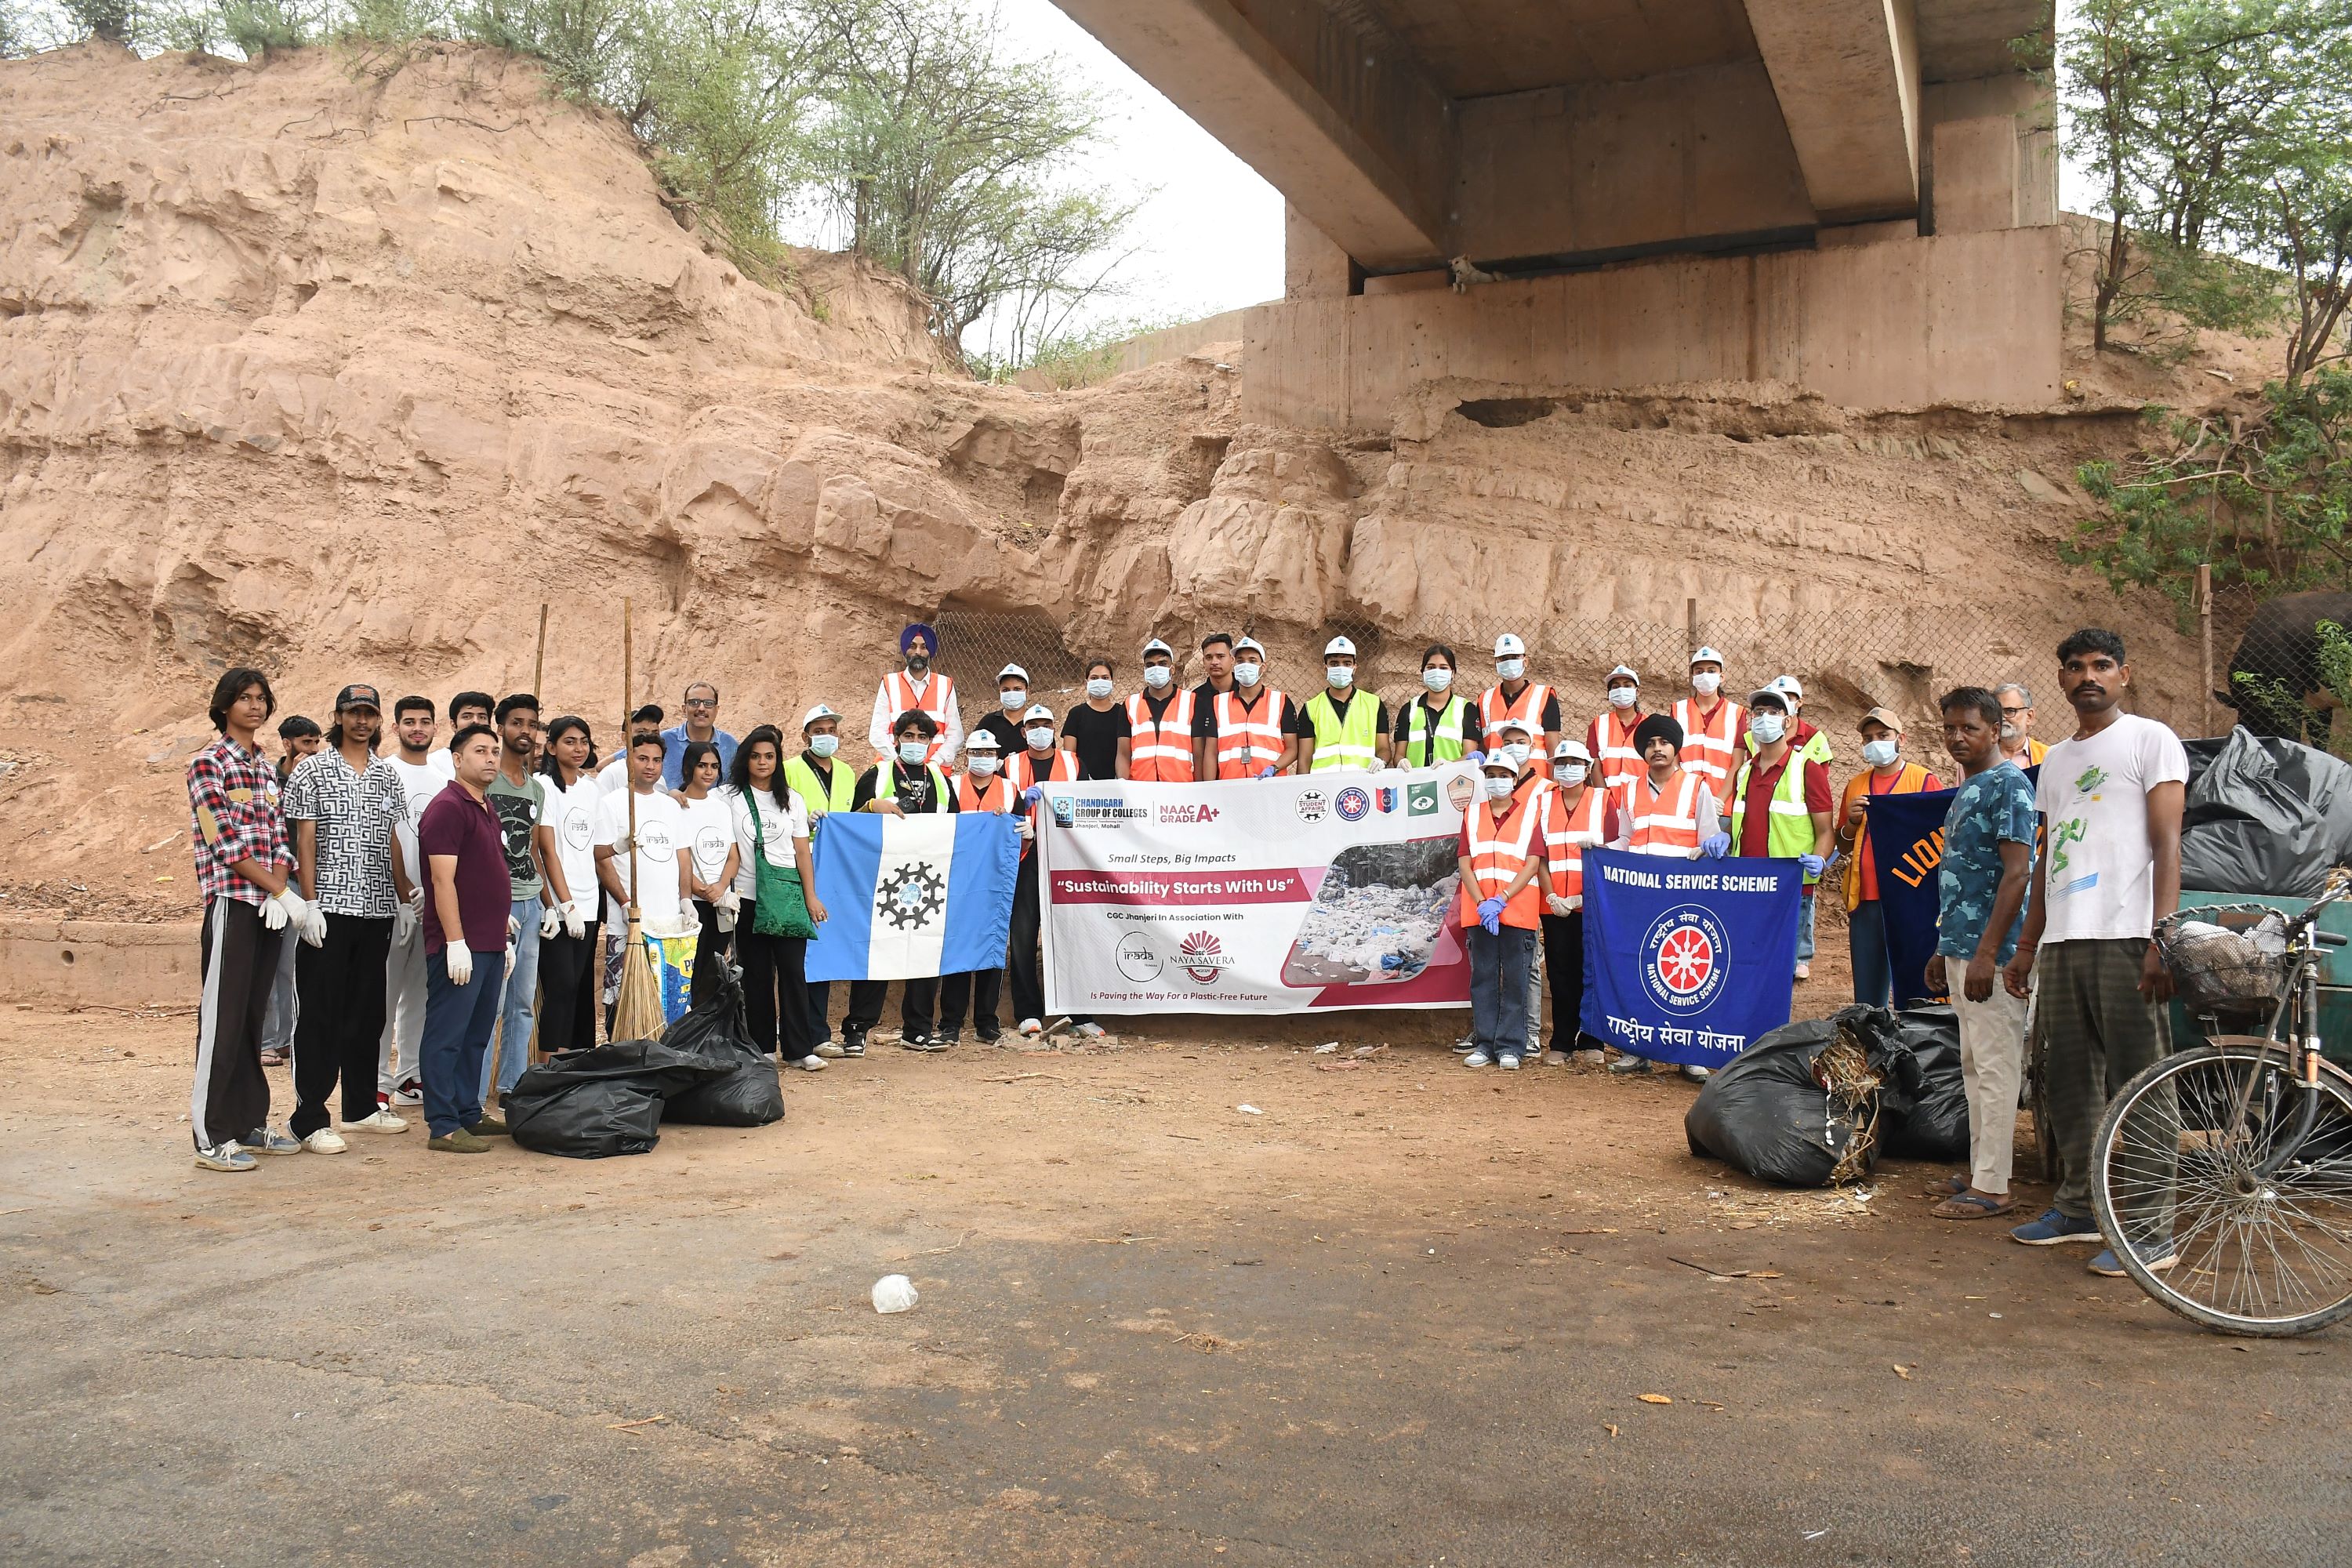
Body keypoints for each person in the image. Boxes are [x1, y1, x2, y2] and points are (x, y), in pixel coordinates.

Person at [2002, 630, 2187, 1276]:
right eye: (2076, 667)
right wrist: (2028, 945)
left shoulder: (2149, 739)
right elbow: (2053, 853)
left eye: (2102, 666)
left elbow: (2169, 843)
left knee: (2140, 1085)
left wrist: (2163, 936)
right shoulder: (2054, 763)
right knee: (2069, 1085)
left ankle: (2149, 1232)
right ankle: (2080, 1208)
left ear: (2124, 675)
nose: (2089, 676)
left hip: (2129, 935)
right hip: (2065, 941)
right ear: (2060, 681)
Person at [281, 682, 412, 1151]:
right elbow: (305, 839)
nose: (362, 721)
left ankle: (359, 1107)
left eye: (369, 714)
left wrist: (402, 898)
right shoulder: (312, 771)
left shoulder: (386, 775)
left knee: (366, 1011)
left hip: (375, 907)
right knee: (320, 1013)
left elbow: (394, 840)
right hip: (330, 908)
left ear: (378, 721)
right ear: (338, 717)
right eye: (353, 713)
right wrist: (309, 902)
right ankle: (309, 1117)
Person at [186, 667, 305, 1171]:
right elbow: (224, 844)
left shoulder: (264, 769)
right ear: (225, 705)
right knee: (223, 1019)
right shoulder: (208, 765)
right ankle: (210, 1134)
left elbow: (279, 836)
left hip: (268, 909)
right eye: (244, 698)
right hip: (234, 904)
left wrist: (280, 890)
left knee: (254, 1017)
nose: (255, 707)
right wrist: (281, 889)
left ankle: (249, 1122)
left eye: (261, 698)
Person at [1926, 688, 2038, 1221]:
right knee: (1973, 1064)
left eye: (1969, 728)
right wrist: (1943, 947)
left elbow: (2018, 874)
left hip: (1991, 955)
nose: (1957, 738)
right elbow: (1964, 879)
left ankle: (1994, 1187)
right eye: (1949, 728)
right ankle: (1982, 1171)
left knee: (1995, 1067)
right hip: (1963, 949)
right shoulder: (1970, 787)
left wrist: (1990, 954)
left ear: (1997, 730)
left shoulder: (2010, 786)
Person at [1606, 714, 1727, 1076]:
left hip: (1682, 896)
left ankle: (1690, 1053)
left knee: (1684, 973)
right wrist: (1599, 849)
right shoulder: (1628, 790)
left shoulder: (1696, 786)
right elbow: (1626, 839)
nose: (1656, 749)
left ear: (1676, 747)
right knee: (1639, 967)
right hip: (1639, 895)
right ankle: (1637, 1047)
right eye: (1650, 744)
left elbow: (1708, 838)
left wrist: (1708, 849)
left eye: (1663, 742)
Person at [416, 723, 514, 1153]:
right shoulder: (447, 807)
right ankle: (443, 1124)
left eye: (495, 751)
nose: (491, 758)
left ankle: (468, 1112)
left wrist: (502, 926)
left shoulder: (486, 806)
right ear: (457, 759)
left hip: (490, 940)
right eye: (480, 751)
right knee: (447, 1032)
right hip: (460, 945)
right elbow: (442, 880)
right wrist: (455, 941)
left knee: (476, 1032)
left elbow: (487, 874)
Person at [846, 710, 960, 1052]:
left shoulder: (941, 780)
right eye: (908, 736)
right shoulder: (877, 775)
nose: (915, 743)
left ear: (931, 742)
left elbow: (958, 827)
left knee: (925, 948)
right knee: (878, 951)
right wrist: (870, 806)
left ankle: (918, 1029)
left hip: (929, 879)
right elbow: (849, 824)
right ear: (896, 740)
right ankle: (857, 1029)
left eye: (922, 737)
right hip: (884, 878)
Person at [724, 726, 828, 1071]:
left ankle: (799, 1049)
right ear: (745, 760)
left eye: (769, 756)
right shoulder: (728, 797)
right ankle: (763, 1046)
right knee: (755, 974)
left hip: (787, 897)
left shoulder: (792, 799)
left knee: (793, 972)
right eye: (755, 756)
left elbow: (802, 851)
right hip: (748, 896)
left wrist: (810, 896)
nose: (763, 762)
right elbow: (694, 803)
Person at [481, 694, 559, 1104]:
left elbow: (530, 848)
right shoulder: (484, 781)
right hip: (496, 905)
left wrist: (548, 903)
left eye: (532, 724)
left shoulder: (534, 788)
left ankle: (511, 1087)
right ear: (501, 727)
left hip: (529, 901)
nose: (525, 731)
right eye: (516, 723)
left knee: (523, 1003)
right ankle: (473, 1098)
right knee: (488, 1005)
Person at [1835, 706, 1943, 1006]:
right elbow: (1842, 845)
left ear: (1901, 739)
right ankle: (1876, 1042)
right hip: (1866, 897)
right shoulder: (1856, 785)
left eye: (1883, 735)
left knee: (1915, 980)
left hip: (1910, 899)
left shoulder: (1923, 781)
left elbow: (1940, 840)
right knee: (1868, 990)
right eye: (1868, 738)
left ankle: (1920, 1040)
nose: (1875, 742)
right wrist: (1851, 824)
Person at [1730, 686, 1835, 985]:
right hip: (1747, 882)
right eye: (1759, 713)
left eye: (1774, 712)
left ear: (1788, 721)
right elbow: (1741, 820)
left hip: (1789, 887)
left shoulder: (1807, 769)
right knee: (1747, 966)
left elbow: (1826, 831)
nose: (1765, 719)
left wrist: (1820, 858)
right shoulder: (1745, 772)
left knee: (1780, 972)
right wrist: (1725, 836)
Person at [593, 732, 691, 1036]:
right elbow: (601, 858)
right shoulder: (611, 803)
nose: (650, 766)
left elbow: (682, 856)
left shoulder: (670, 806)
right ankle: (622, 1055)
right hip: (630, 920)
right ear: (628, 760)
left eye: (657, 760)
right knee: (623, 994)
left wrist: (685, 900)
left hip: (668, 922)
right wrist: (623, 901)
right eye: (642, 758)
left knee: (665, 994)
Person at [1458, 752, 1549, 1070]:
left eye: (1503, 774)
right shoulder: (1472, 814)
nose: (1496, 780)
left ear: (1514, 780)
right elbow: (1465, 863)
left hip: (1517, 911)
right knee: (1482, 978)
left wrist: (1503, 898)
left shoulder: (1530, 814)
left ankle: (1511, 1045)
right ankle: (1485, 1043)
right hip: (1480, 912)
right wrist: (1483, 902)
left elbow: (1533, 863)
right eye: (1490, 774)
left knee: (1516, 980)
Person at [782, 704, 858, 1055]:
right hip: (799, 865)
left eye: (832, 730)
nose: (827, 736)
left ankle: (819, 1031)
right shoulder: (790, 771)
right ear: (805, 736)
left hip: (836, 867)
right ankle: (801, 1031)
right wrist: (805, 826)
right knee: (801, 951)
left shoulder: (846, 772)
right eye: (819, 730)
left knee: (824, 946)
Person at [379, 696, 441, 1107]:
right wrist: (402, 893)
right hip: (390, 904)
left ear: (436, 727)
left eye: (425, 722)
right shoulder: (384, 772)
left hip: (433, 905)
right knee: (384, 995)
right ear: (396, 727)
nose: (417, 728)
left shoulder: (442, 777)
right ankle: (378, 1080)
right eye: (409, 722)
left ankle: (410, 1076)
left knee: (421, 994)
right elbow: (383, 837)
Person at [1005, 704, 1080, 1040]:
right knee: (1023, 934)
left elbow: (1089, 803)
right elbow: (1001, 803)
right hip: (1025, 855)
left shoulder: (1072, 761)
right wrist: (1023, 804)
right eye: (1032, 725)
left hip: (1065, 857)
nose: (1039, 730)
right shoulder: (1010, 764)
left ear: (1055, 727)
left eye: (1045, 724)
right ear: (1023, 732)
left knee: (1069, 934)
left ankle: (1077, 1011)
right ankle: (1028, 1012)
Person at [1538, 738, 1614, 1066]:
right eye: (1561, 763)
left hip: (1593, 904)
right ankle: (1562, 1041)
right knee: (1560, 972)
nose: (1568, 769)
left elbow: (1615, 852)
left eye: (1575, 764)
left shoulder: (1603, 801)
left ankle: (1593, 1039)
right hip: (1555, 907)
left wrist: (1586, 896)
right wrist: (1552, 895)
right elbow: (1537, 855)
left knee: (1593, 970)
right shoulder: (1543, 803)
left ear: (1588, 769)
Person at [936, 731, 1012, 1046]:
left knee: (992, 945)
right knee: (957, 946)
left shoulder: (1009, 788)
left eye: (989, 752)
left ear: (997, 757)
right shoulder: (951, 785)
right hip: (958, 878)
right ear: (967, 756)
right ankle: (950, 1021)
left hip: (995, 880)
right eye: (976, 752)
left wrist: (1021, 828)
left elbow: (1017, 829)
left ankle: (986, 1020)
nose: (983, 757)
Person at [535, 716, 601, 1057]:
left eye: (583, 742)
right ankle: (545, 1064)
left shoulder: (592, 789)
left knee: (574, 986)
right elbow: (545, 851)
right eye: (569, 741)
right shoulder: (542, 786)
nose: (578, 748)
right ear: (551, 747)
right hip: (560, 906)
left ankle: (564, 1060)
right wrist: (562, 904)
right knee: (559, 985)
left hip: (589, 901)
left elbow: (597, 847)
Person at [259, 713, 322, 1068]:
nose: (312, 750)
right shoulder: (270, 778)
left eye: (316, 743)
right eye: (306, 743)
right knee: (271, 964)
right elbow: (270, 825)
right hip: (275, 881)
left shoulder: (320, 778)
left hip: (308, 880)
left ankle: (289, 1038)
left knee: (293, 966)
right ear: (287, 744)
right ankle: (269, 1039)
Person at [676, 739, 741, 1005]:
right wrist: (702, 890)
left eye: (714, 766)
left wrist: (721, 887)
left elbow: (733, 857)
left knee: (712, 975)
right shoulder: (676, 805)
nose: (708, 772)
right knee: (688, 973)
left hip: (720, 904)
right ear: (689, 767)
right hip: (691, 904)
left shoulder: (722, 809)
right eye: (702, 765)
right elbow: (677, 859)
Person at [869, 622, 962, 767]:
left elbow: (955, 735)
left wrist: (936, 761)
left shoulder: (945, 685)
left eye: (924, 647)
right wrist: (895, 760)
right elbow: (877, 732)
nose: (918, 652)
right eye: (912, 647)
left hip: (935, 768)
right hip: (893, 766)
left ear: (930, 651)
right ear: (905, 650)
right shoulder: (890, 683)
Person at [1203, 637, 1298, 778]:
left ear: (1263, 667)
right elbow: (1211, 752)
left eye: (1252, 661)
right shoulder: (1218, 703)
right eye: (1241, 661)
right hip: (1230, 785)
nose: (1246, 665)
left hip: (1270, 785)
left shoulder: (1281, 701)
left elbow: (1292, 748)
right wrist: (1209, 788)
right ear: (1235, 664)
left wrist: (1274, 768)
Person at [1298, 637, 1391, 772]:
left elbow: (1384, 749)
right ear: (1325, 668)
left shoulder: (1374, 704)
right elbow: (1304, 760)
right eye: (1334, 664)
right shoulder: (1310, 708)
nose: (1341, 668)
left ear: (1354, 668)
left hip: (1362, 785)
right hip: (1324, 785)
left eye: (1347, 663)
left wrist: (1381, 761)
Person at [1477, 633, 1561, 779]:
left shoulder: (1545, 696)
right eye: (1504, 658)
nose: (1509, 662)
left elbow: (1552, 749)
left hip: (1536, 784)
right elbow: (1484, 747)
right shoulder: (1484, 700)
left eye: (1515, 657)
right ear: (1496, 663)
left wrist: (1553, 787)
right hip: (1498, 784)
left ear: (1526, 661)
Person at [1672, 648, 1742, 808]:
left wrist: (1719, 801)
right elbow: (1674, 758)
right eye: (1699, 671)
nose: (1705, 675)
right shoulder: (1678, 710)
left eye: (1711, 671)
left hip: (1722, 805)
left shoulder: (1736, 713)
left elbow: (1736, 764)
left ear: (1721, 676)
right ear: (1693, 677)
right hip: (1685, 803)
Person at [1127, 637, 1199, 782]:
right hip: (1141, 788)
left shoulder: (1192, 701)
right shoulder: (1130, 704)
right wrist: (1125, 788)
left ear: (1172, 669)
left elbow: (1199, 754)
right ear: (1145, 671)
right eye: (1150, 665)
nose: (1156, 668)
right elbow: (1123, 753)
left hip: (1181, 788)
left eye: (1162, 664)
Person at [1395, 644, 1477, 769]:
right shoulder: (1410, 709)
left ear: (1453, 673)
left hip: (1452, 782)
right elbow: (1399, 755)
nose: (1437, 672)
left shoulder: (1466, 709)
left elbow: (1470, 756)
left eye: (1443, 668)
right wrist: (1401, 762)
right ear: (1423, 672)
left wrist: (1450, 766)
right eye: (1431, 667)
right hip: (1417, 783)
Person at [1060, 657, 1132, 779]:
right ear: (1086, 682)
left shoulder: (1123, 712)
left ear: (1112, 682)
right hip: (1084, 783)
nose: (1100, 682)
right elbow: (1070, 755)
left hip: (1116, 782)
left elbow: (1126, 752)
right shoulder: (1076, 714)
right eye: (1094, 678)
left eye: (1105, 678)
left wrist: (1121, 780)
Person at [658, 680, 738, 789]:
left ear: (717, 709)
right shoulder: (664, 741)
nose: (701, 708)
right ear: (684, 708)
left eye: (708, 703)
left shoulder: (730, 745)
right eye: (694, 702)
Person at [1584, 665, 1646, 791]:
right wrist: (1606, 799)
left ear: (1638, 691)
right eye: (1616, 686)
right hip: (1608, 799)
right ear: (1609, 693)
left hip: (1642, 799)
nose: (1621, 690)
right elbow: (1595, 767)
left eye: (1627, 686)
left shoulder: (1650, 724)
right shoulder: (1598, 724)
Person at [597, 706, 665, 797]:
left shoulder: (657, 776)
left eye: (655, 733)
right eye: (641, 732)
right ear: (625, 737)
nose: (649, 738)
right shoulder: (611, 774)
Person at [427, 691, 494, 780]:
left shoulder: (495, 762)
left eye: (482, 717)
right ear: (453, 725)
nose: (475, 721)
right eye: (467, 716)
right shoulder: (435, 763)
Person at [976, 664, 1030, 756]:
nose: (1012, 693)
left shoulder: (1035, 722)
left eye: (1017, 689)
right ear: (1000, 691)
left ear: (1027, 691)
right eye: (1006, 690)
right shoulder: (989, 722)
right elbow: (975, 752)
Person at [1995, 682, 2050, 768]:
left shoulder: (2047, 756)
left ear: (2029, 717)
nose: (2002, 718)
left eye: (2010, 711)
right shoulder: (1980, 756)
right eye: (1997, 712)